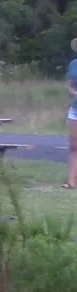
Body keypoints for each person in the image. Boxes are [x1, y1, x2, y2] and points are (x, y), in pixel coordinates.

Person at [66, 37, 77, 189]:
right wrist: (74, 92)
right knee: (74, 145)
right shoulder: (73, 64)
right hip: (75, 108)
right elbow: (69, 85)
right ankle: (71, 180)